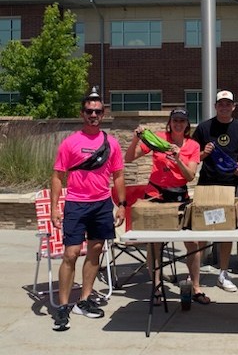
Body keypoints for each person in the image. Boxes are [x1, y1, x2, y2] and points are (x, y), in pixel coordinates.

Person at [51, 91, 126, 332]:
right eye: (89, 111)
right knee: (71, 254)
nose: (93, 115)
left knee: (95, 252)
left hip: (102, 204)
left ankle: (83, 300)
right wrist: (54, 207)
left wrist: (121, 204)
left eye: (98, 111)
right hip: (76, 204)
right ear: (82, 113)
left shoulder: (111, 143)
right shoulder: (70, 142)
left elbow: (118, 175)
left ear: (103, 114)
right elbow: (57, 176)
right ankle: (63, 306)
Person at [124, 107, 210, 306]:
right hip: (156, 195)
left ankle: (196, 286)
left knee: (192, 242)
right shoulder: (159, 139)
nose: (178, 124)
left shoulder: (193, 145)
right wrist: (136, 139)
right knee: (155, 243)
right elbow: (129, 158)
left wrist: (178, 159)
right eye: (175, 120)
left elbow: (190, 176)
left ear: (187, 124)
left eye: (182, 121)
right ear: (170, 123)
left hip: (179, 196)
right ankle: (156, 286)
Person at [192, 90, 238, 292]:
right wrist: (204, 152)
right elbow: (192, 157)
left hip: (230, 185)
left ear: (233, 106)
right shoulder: (203, 128)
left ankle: (223, 273)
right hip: (207, 184)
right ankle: (195, 276)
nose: (224, 107)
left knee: (227, 231)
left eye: (228, 104)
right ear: (215, 106)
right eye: (221, 104)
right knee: (201, 229)